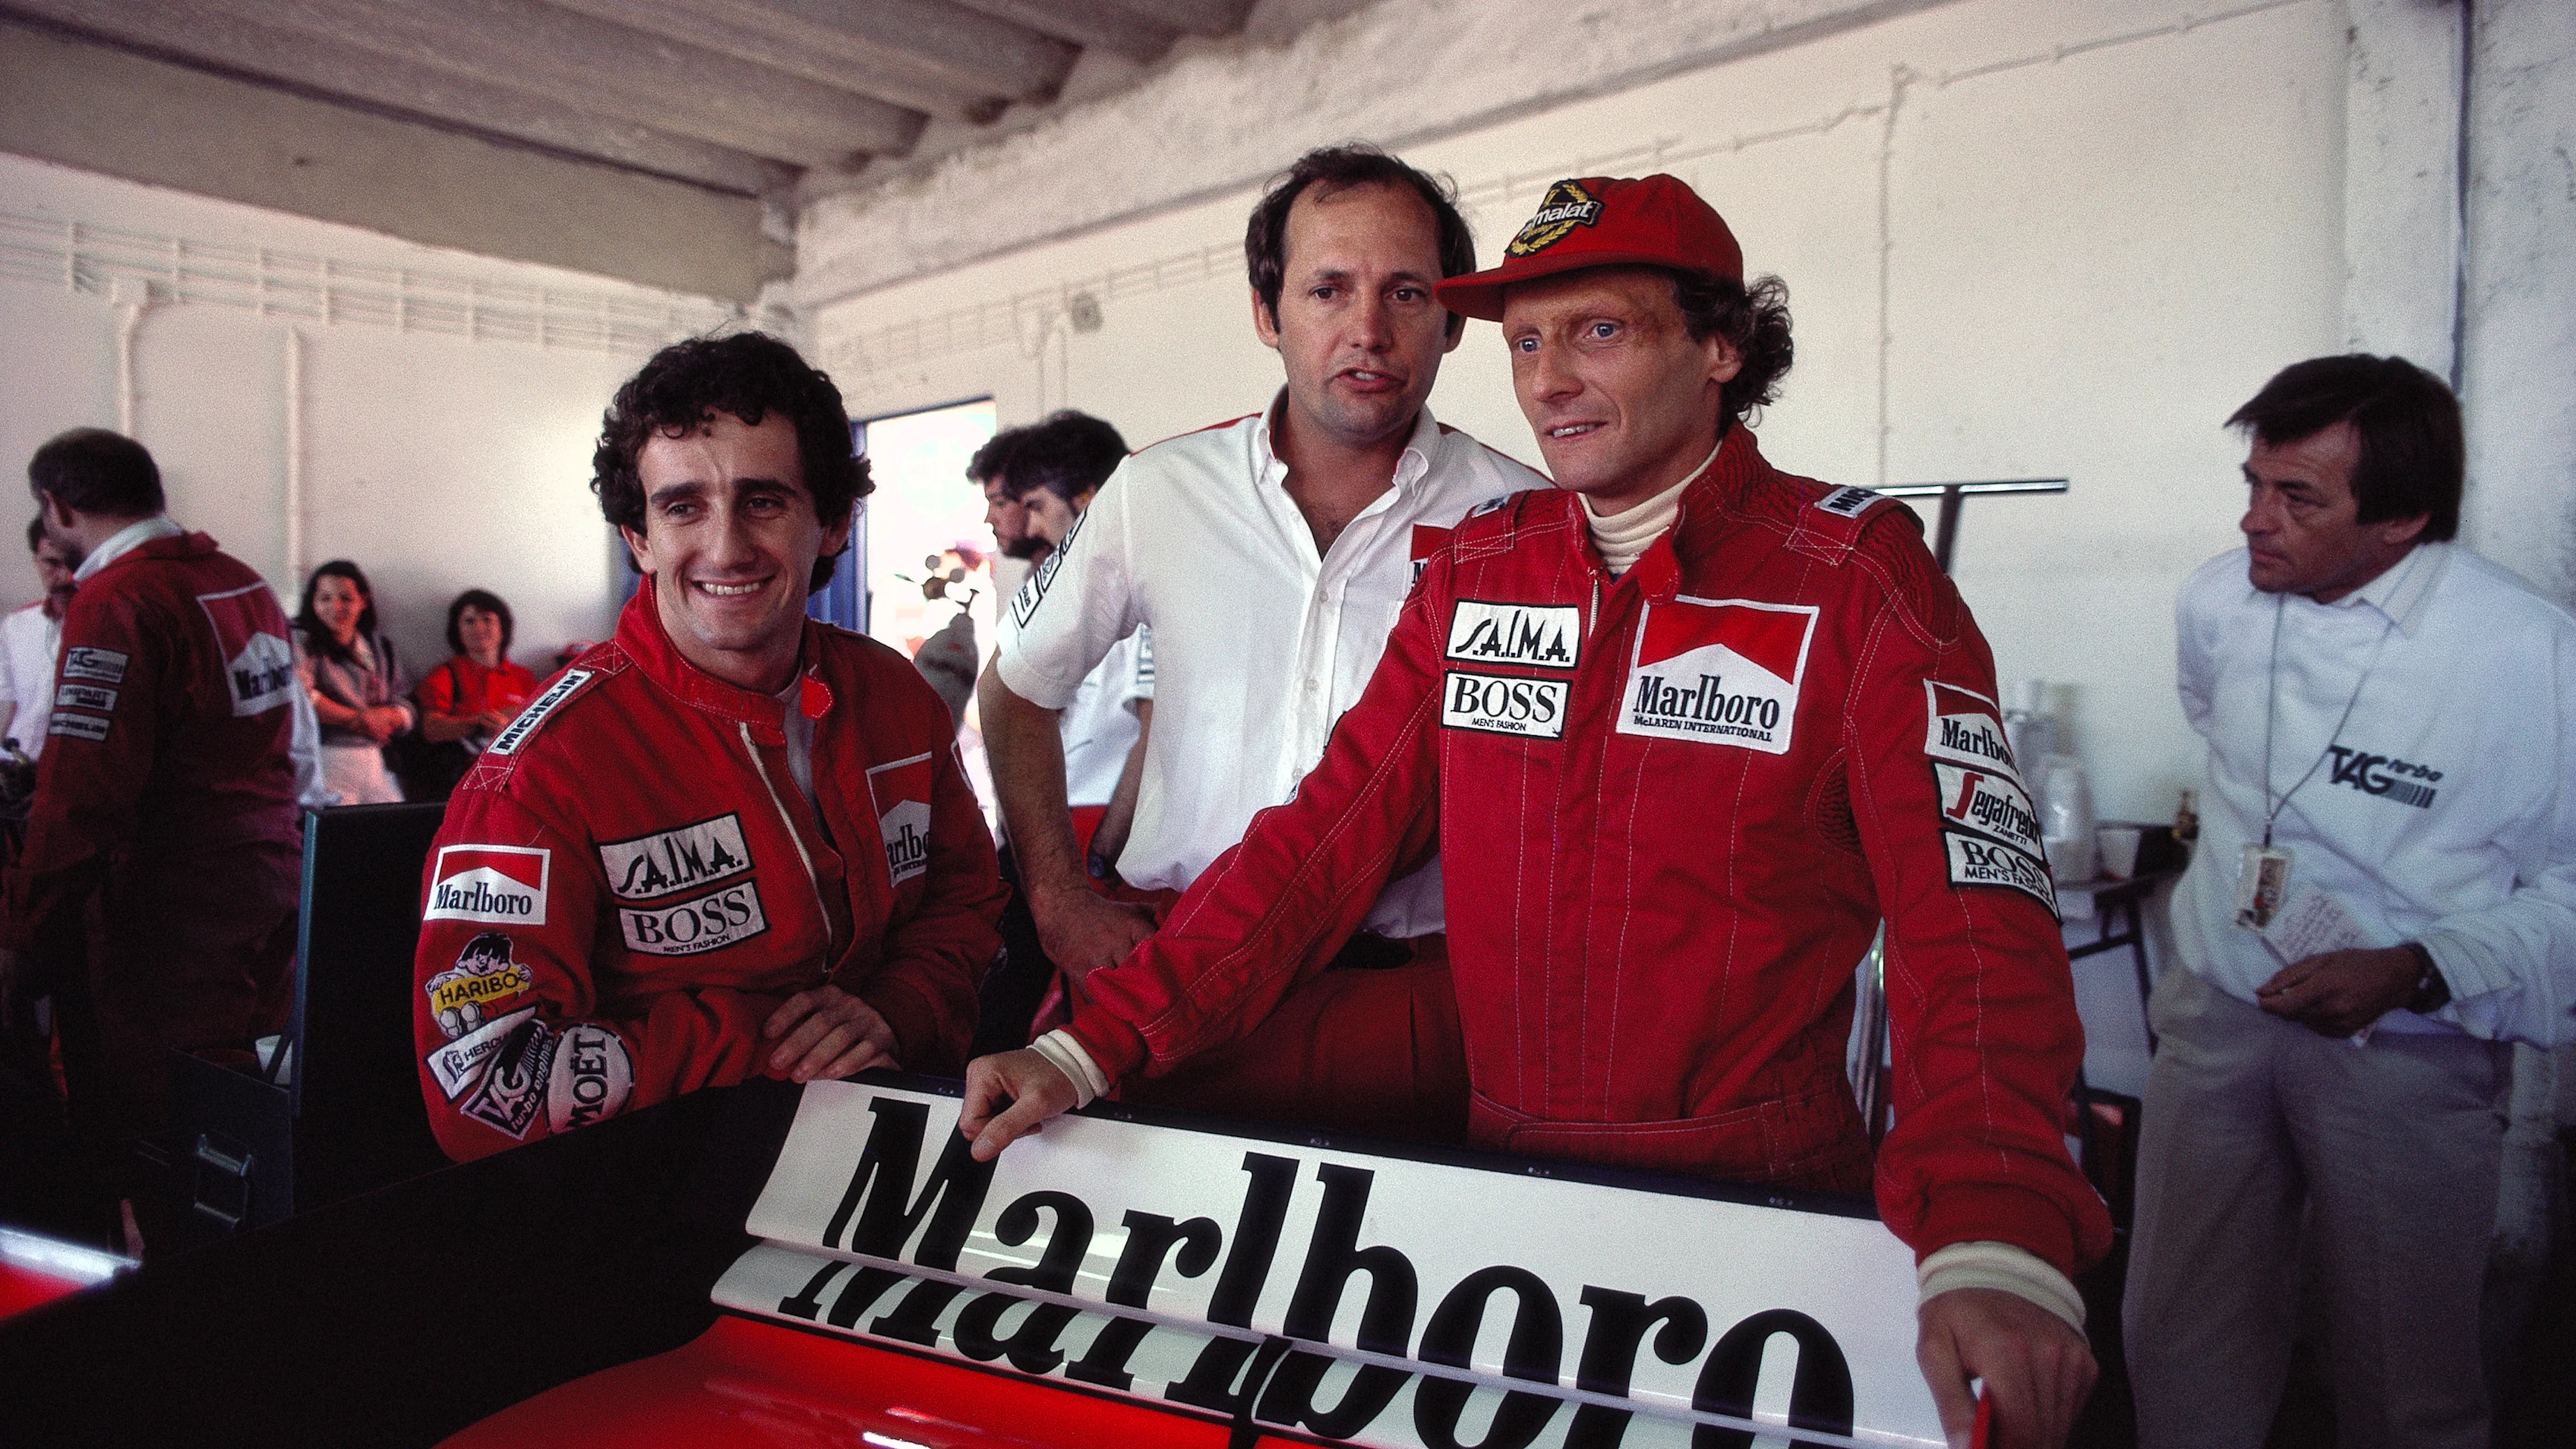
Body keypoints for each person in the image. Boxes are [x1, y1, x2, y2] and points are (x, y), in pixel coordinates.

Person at [963, 174, 2112, 1448]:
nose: (1549, 378)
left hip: (1754, 1201)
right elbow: (1316, 844)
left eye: (1599, 331)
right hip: (1490, 1179)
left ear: (1721, 345)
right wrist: (1094, 1041)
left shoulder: (1854, 576)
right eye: (1523, 340)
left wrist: (1998, 1226)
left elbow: (1976, 917)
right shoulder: (1481, 568)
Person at [977, 145, 1544, 1139]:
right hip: (1160, 967)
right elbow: (1018, 685)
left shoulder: (1523, 519)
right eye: (1328, 289)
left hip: (1403, 1007)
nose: (1367, 329)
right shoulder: (1159, 492)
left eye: (1406, 292)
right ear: (1266, 311)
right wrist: (1057, 894)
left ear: (1453, 320)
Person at [2122, 355, 2576, 1449]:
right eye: (2253, 485)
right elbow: (2222, 742)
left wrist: (2417, 968)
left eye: (2296, 499)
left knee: (2405, 1376)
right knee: (2177, 1339)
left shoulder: (2525, 652)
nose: (2252, 522)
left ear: (2402, 521)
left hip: (2408, 1048)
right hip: (2218, 1019)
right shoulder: (2220, 601)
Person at [411, 331, 1005, 1161]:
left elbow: (967, 899)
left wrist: (895, 1009)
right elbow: (482, 1087)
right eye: (683, 506)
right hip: (654, 1189)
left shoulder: (896, 701)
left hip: (887, 1146)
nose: (725, 548)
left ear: (832, 521)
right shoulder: (542, 772)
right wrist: (766, 1045)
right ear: (639, 539)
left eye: (763, 501)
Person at [0, 428, 323, 1242]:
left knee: (169, 1142)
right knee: (249, 1120)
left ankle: (184, 1326)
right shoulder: (241, 582)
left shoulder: (117, 601)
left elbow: (82, 799)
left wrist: (20, 934)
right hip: (273, 885)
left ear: (58, 506)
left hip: (171, 920)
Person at [971, 410, 1154, 1056]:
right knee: (1007, 978)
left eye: (1036, 505)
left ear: (1088, 500)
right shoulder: (1048, 584)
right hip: (1051, 810)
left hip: (1096, 821)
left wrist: (1103, 851)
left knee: (1091, 1004)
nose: (1029, 522)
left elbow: (1149, 730)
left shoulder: (1146, 582)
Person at [295, 558, 414, 804]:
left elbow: (406, 701)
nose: (335, 607)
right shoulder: (301, 640)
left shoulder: (380, 646)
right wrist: (358, 719)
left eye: (346, 599)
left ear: (363, 601)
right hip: (326, 756)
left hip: (376, 758)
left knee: (395, 827)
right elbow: (302, 696)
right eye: (325, 598)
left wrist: (390, 717)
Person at [0, 517, 82, 759]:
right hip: (15, 764)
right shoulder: (16, 625)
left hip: (70, 776)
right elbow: (11, 706)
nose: (67, 577)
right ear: (36, 563)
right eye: (52, 563)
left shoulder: (114, 626)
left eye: (74, 565)